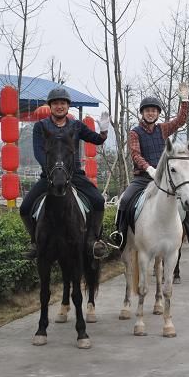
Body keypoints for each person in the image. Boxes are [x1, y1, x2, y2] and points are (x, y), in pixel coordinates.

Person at [112, 82, 189, 251]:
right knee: (125, 200)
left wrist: (184, 100)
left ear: (158, 113)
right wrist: (148, 168)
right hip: (142, 178)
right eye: (148, 110)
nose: (151, 113)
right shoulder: (135, 132)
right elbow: (135, 154)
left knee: (186, 198)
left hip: (164, 178)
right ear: (142, 113)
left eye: (154, 111)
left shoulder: (162, 129)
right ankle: (120, 235)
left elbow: (180, 120)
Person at [19, 86, 111, 259]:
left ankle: (93, 240)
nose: (59, 106)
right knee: (24, 208)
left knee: (98, 201)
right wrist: (52, 172)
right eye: (56, 103)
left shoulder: (76, 126)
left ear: (68, 106)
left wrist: (104, 131)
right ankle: (35, 242)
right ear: (50, 106)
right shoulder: (40, 126)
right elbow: (39, 152)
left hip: (74, 174)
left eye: (63, 103)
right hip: (50, 176)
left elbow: (97, 140)